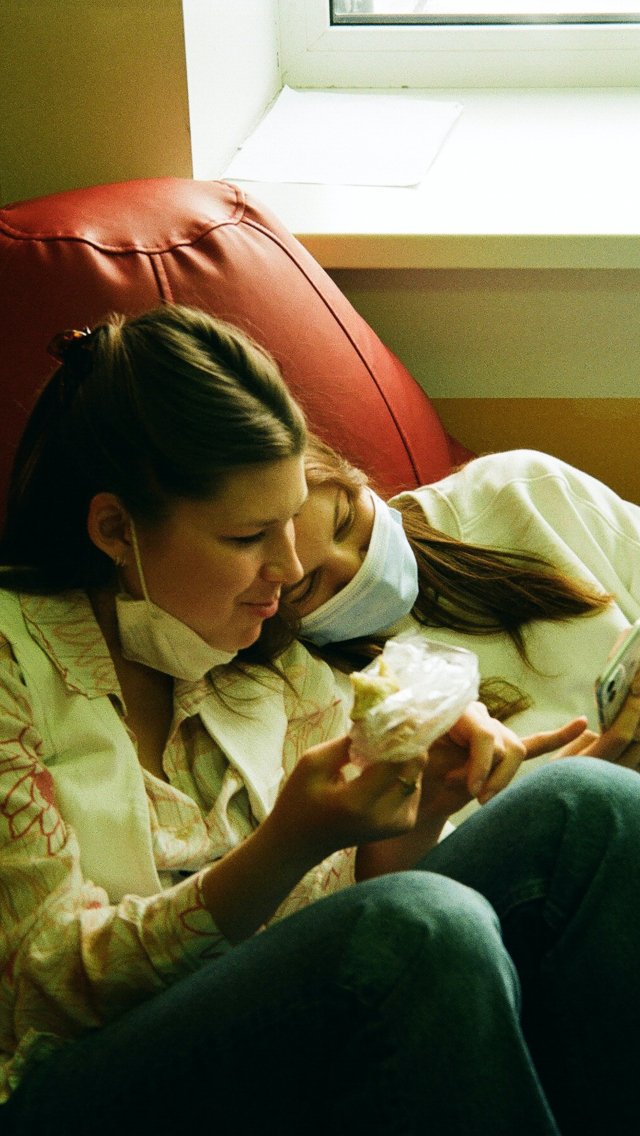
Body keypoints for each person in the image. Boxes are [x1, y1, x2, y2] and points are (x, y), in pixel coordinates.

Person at [1, 303, 640, 1136]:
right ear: (116, 529)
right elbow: (41, 989)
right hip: (71, 1082)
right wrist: (284, 844)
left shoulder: (274, 659)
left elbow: (353, 936)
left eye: (296, 519)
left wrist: (421, 805)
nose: (290, 567)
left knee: (588, 810)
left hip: (280, 1043)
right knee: (416, 927)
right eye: (247, 537)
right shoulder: (14, 661)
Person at [276, 434, 640, 790]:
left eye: (345, 521)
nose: (359, 570)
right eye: (307, 585)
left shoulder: (519, 490)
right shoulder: (316, 705)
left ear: (355, 477)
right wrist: (567, 797)